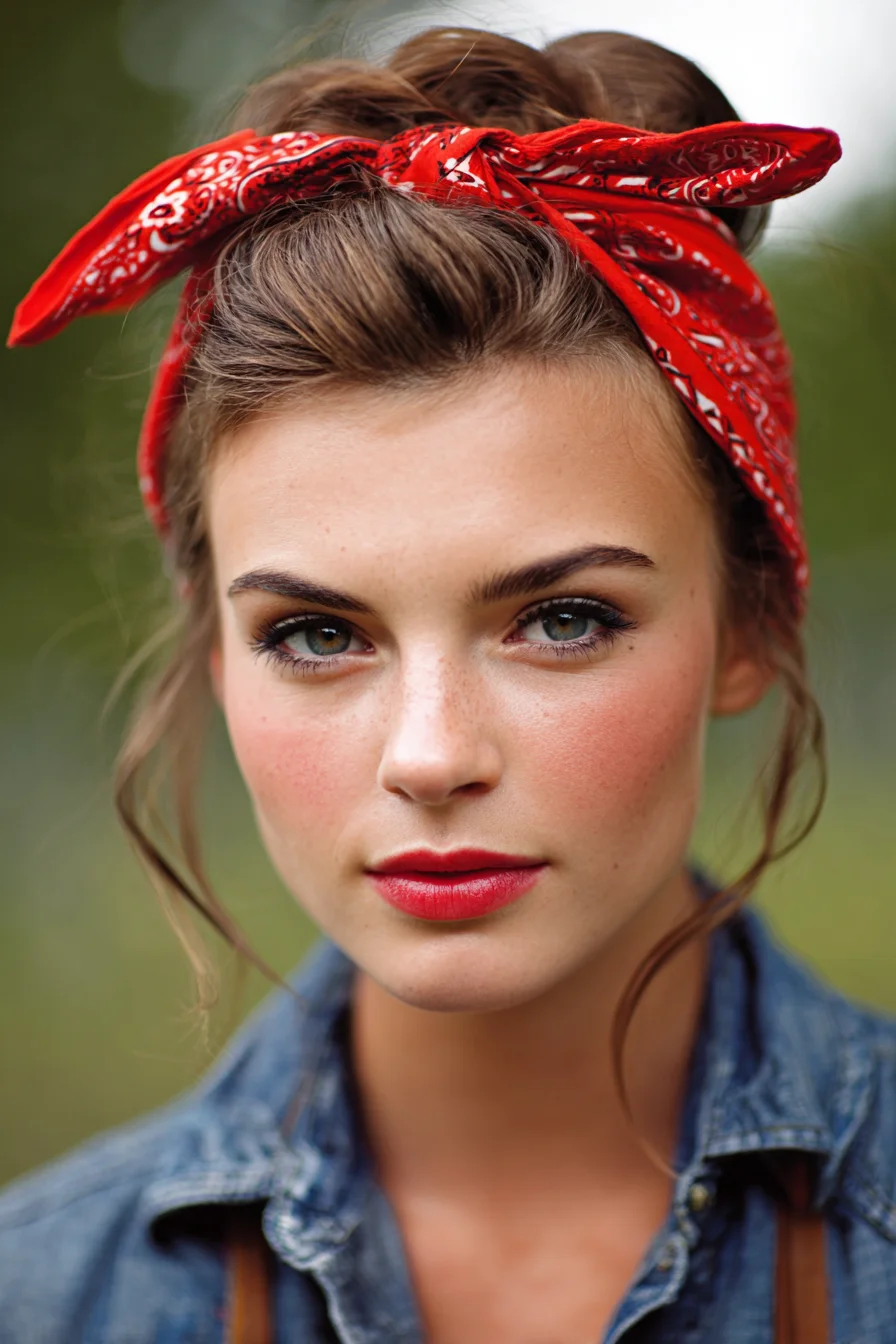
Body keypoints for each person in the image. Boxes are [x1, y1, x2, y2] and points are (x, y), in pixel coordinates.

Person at [1, 22, 893, 1344]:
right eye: (318, 635)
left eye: (563, 619)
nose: (429, 756)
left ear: (751, 621)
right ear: (217, 656)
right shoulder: (40, 1297)